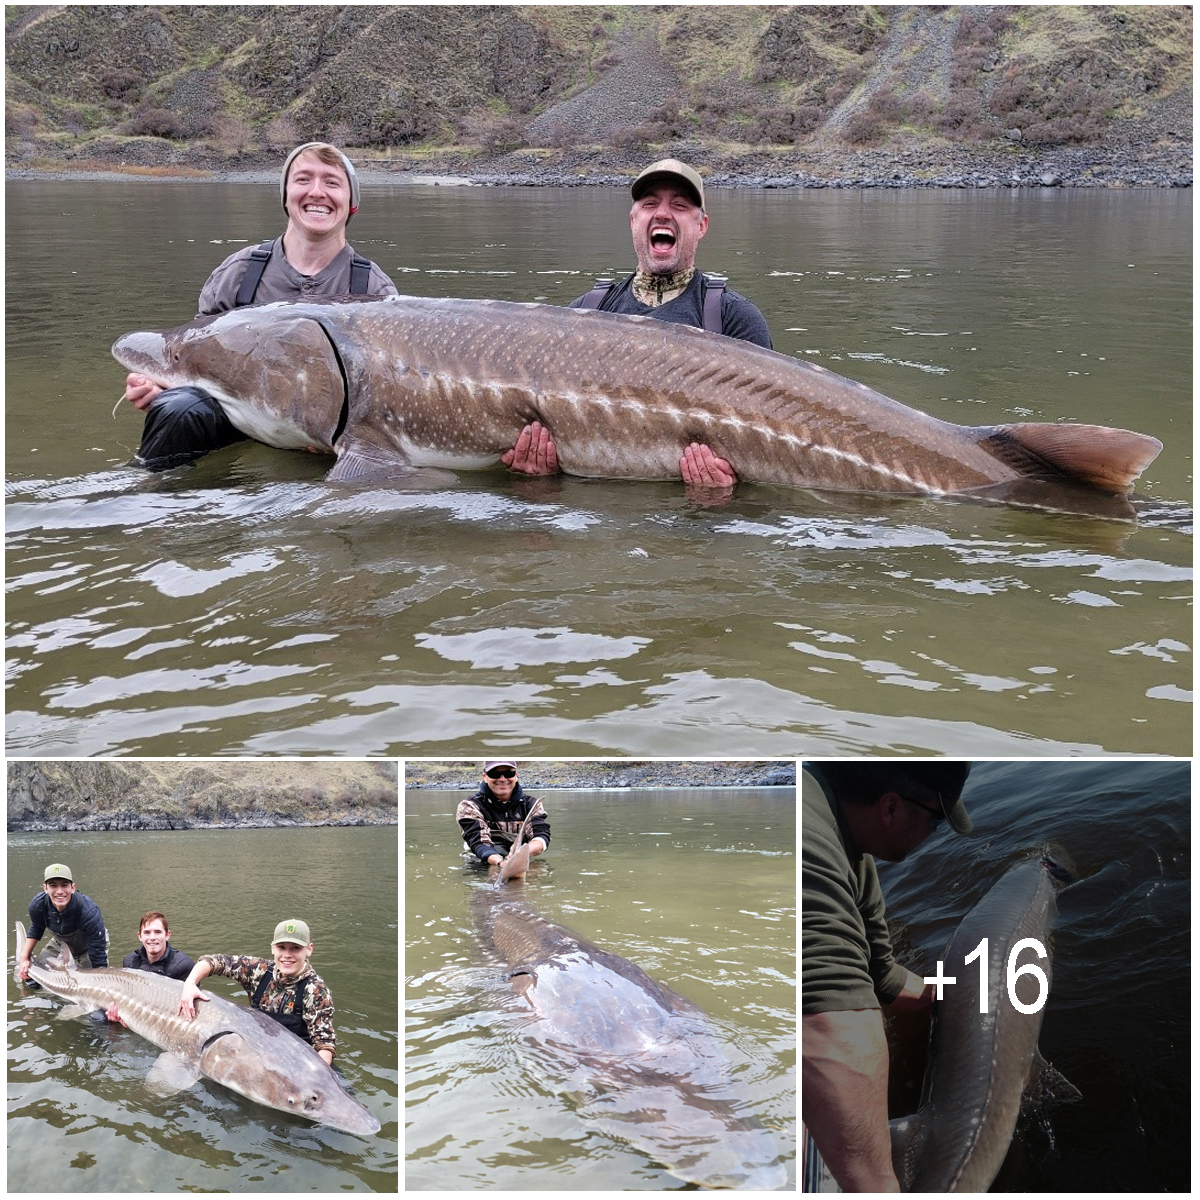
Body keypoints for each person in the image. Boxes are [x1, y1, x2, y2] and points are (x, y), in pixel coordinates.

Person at [122, 142, 400, 470]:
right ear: (285, 196)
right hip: (242, 417)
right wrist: (163, 386)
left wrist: (345, 428)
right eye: (302, 180)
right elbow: (197, 350)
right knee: (177, 408)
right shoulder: (240, 272)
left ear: (351, 202)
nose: (316, 192)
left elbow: (389, 392)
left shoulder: (374, 290)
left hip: (333, 434)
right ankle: (161, 500)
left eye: (332, 182)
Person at [503, 157, 773, 491]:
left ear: (701, 225)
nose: (662, 213)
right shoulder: (584, 313)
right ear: (633, 220)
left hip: (687, 531)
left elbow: (768, 451)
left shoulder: (734, 319)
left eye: (679, 205)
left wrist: (724, 494)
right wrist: (537, 478)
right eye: (649, 204)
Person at [802, 761, 974, 1192]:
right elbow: (832, 1018)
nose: (935, 834)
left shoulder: (856, 852)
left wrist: (951, 993)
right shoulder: (809, 841)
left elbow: (880, 974)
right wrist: (876, 1183)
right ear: (892, 808)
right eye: (936, 820)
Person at [176, 919, 337, 1066]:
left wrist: (310, 1078)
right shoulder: (259, 971)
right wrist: (190, 984)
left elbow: (325, 1046)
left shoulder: (316, 990)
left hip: (298, 1064)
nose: (287, 955)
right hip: (260, 1053)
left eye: (295, 948)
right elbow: (214, 961)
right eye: (282, 947)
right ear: (273, 948)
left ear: (309, 950)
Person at [17, 863, 109, 985]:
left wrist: (101, 982)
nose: (59, 891)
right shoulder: (38, 905)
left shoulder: (89, 911)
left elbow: (98, 957)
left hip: (89, 946)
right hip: (60, 942)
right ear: (45, 888)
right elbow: (37, 928)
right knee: (34, 980)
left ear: (73, 887)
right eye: (53, 886)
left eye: (64, 885)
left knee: (95, 983)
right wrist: (24, 958)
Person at [457, 760, 551, 867]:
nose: (502, 779)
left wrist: (521, 854)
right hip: (480, 860)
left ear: (516, 776)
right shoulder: (470, 806)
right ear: (485, 777)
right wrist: (500, 863)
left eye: (508, 774)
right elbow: (478, 842)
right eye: (494, 774)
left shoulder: (531, 805)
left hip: (520, 859)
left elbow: (540, 836)